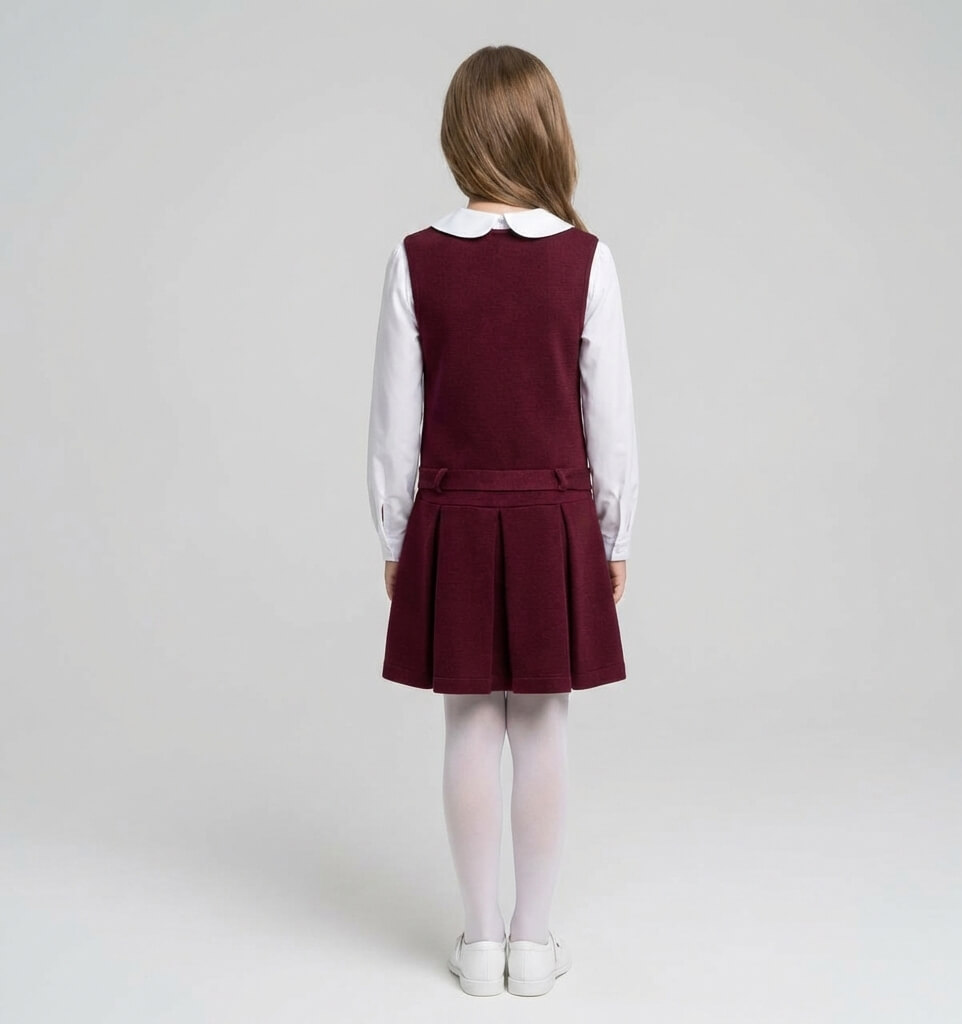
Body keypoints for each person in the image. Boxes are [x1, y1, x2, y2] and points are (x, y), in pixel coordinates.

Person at [366, 44, 639, 997]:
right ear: (546, 133)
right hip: (554, 517)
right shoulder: (586, 259)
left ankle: (480, 943)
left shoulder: (416, 258)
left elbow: (393, 424)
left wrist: (395, 536)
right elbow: (611, 420)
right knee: (544, 728)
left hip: (451, 516)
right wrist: (615, 535)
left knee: (470, 727)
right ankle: (532, 942)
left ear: (459, 136)